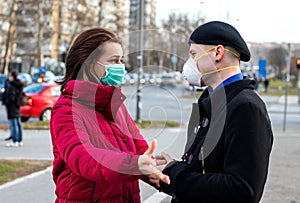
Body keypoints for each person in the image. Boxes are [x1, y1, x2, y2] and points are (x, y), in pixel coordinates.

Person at [154, 21, 274, 203]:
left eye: (193, 54)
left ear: (218, 53)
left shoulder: (246, 107)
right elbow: (205, 168)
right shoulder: (210, 102)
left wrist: (175, 175)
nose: (189, 64)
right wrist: (170, 170)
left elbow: (242, 190)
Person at [50, 27, 169, 203]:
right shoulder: (66, 110)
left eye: (121, 60)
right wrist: (135, 165)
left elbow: (139, 151)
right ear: (89, 63)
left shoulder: (116, 107)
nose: (121, 67)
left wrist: (162, 173)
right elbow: (83, 158)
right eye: (114, 60)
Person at [2, 69, 24, 147]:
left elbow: (9, 96)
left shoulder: (11, 85)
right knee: (18, 123)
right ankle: (20, 140)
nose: (9, 77)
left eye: (10, 75)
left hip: (12, 106)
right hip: (17, 105)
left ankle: (15, 140)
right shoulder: (18, 84)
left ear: (13, 76)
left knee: (13, 124)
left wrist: (6, 103)